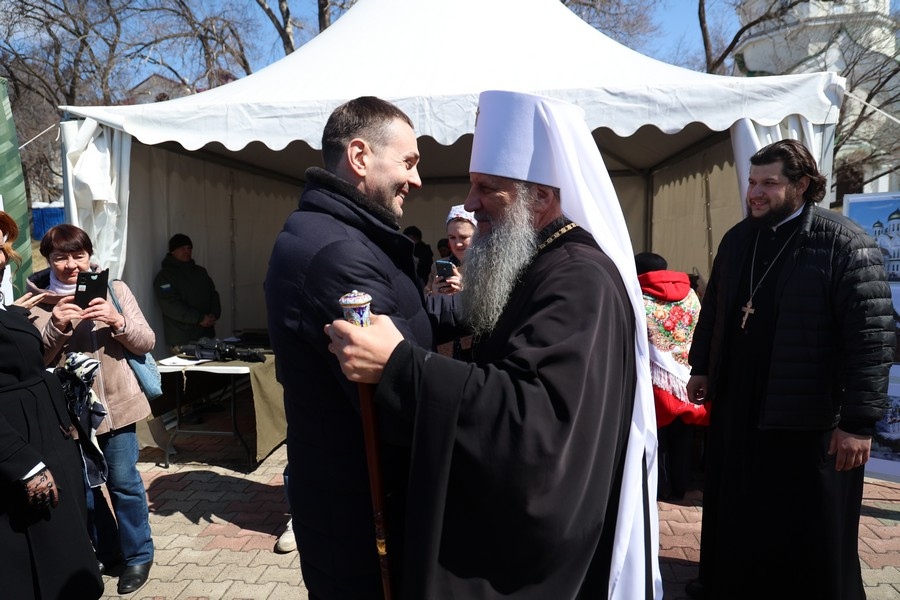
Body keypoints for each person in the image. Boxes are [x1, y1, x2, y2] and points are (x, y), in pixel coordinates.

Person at [325, 90, 661, 599]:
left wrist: (400, 365)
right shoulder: (540, 258)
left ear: (540, 197)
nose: (470, 202)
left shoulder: (578, 278)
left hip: (541, 556)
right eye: (473, 185)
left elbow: (534, 418)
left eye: (487, 188)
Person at [684, 139, 895, 600]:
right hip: (740, 405)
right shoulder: (738, 238)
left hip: (807, 414)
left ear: (802, 185)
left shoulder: (844, 242)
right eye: (752, 183)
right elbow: (715, 309)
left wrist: (858, 423)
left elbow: (873, 339)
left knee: (807, 526)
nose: (755, 193)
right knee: (740, 510)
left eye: (769, 184)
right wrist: (701, 366)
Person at [264, 96, 433, 597]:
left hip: (345, 492)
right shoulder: (338, 253)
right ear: (360, 157)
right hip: (358, 506)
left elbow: (409, 315)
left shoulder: (347, 233)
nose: (417, 179)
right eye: (408, 162)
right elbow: (396, 397)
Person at [27, 224, 157, 595]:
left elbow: (146, 341)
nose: (71, 265)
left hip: (117, 406)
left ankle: (138, 556)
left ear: (89, 256)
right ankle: (109, 550)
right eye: (60, 257)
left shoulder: (115, 289)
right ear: (48, 259)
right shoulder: (34, 303)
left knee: (124, 484)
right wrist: (57, 326)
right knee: (85, 489)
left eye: (78, 255)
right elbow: (33, 361)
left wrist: (116, 321)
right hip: (68, 415)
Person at [0, 213, 103, 600]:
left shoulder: (8, 305)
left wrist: (11, 319)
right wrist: (23, 464)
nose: (4, 256)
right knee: (42, 558)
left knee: (63, 550)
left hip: (47, 438)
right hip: (23, 450)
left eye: (4, 246)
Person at [634, 251, 708, 501]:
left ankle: (656, 487)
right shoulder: (691, 296)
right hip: (687, 378)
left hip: (654, 379)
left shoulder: (637, 295)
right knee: (684, 435)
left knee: (656, 438)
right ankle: (681, 487)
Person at [424, 204, 477, 359]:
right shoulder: (438, 266)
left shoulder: (489, 266)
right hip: (445, 343)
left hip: (473, 343)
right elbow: (424, 303)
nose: (457, 244)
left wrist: (465, 290)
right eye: (452, 237)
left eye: (464, 237)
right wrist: (433, 295)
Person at [153, 233, 221, 354]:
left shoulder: (201, 272)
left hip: (206, 336)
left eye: (189, 248)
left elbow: (213, 294)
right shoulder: (164, 277)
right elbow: (171, 305)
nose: (187, 251)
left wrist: (214, 315)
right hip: (182, 340)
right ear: (172, 251)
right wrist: (199, 318)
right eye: (182, 248)